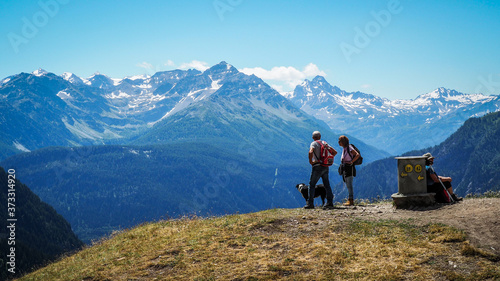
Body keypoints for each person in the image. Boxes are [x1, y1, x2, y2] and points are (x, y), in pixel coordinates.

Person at [305, 131, 337, 209]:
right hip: (325, 166)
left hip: (317, 166)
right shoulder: (325, 143)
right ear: (320, 137)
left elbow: (310, 152)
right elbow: (335, 152)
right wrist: (327, 160)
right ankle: (330, 202)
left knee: (312, 185)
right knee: (327, 185)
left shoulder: (313, 143)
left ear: (313, 137)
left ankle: (310, 204)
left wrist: (311, 161)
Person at [338, 135, 359, 206]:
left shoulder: (349, 147)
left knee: (349, 184)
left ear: (343, 142)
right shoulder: (344, 148)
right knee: (347, 183)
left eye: (340, 141)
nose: (338, 142)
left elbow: (357, 155)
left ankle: (351, 200)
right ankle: (350, 199)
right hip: (345, 167)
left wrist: (352, 161)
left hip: (349, 167)